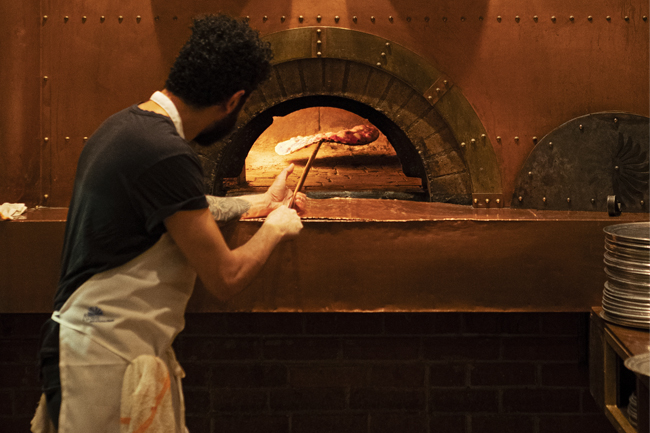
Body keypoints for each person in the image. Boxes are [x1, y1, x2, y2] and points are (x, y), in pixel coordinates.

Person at [34, 14, 305, 433]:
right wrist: (277, 227)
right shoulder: (166, 153)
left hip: (98, 342)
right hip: (100, 356)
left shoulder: (126, 127)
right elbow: (226, 277)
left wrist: (260, 202)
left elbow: (185, 207)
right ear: (233, 101)